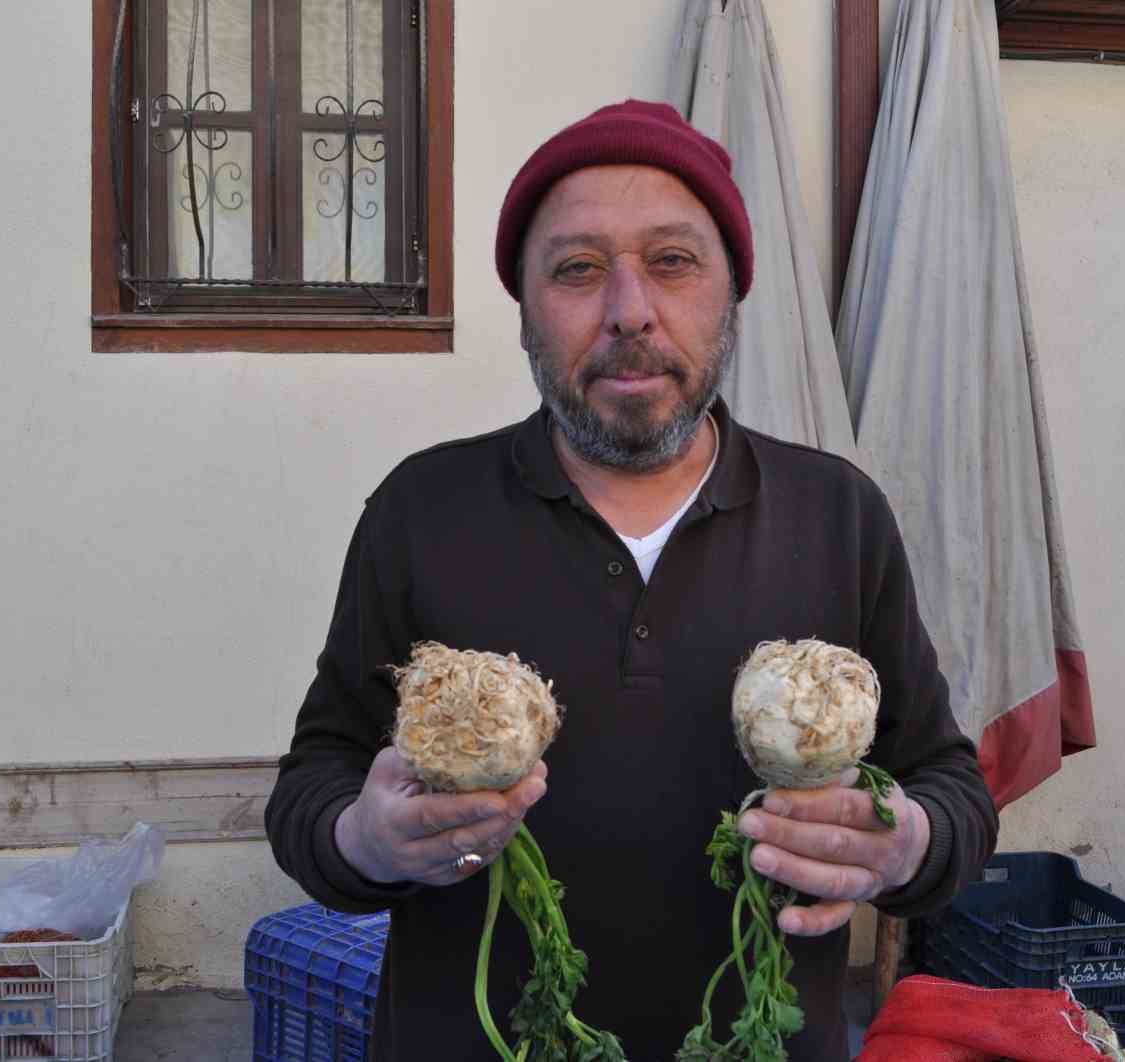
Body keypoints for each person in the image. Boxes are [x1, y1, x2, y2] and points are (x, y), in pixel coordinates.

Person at [265, 99, 997, 1061]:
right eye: (576, 269)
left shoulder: (839, 515)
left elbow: (951, 787)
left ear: (731, 293)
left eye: (673, 261)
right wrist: (363, 841)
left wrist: (906, 844)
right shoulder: (421, 511)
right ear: (525, 308)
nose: (630, 310)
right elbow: (311, 788)